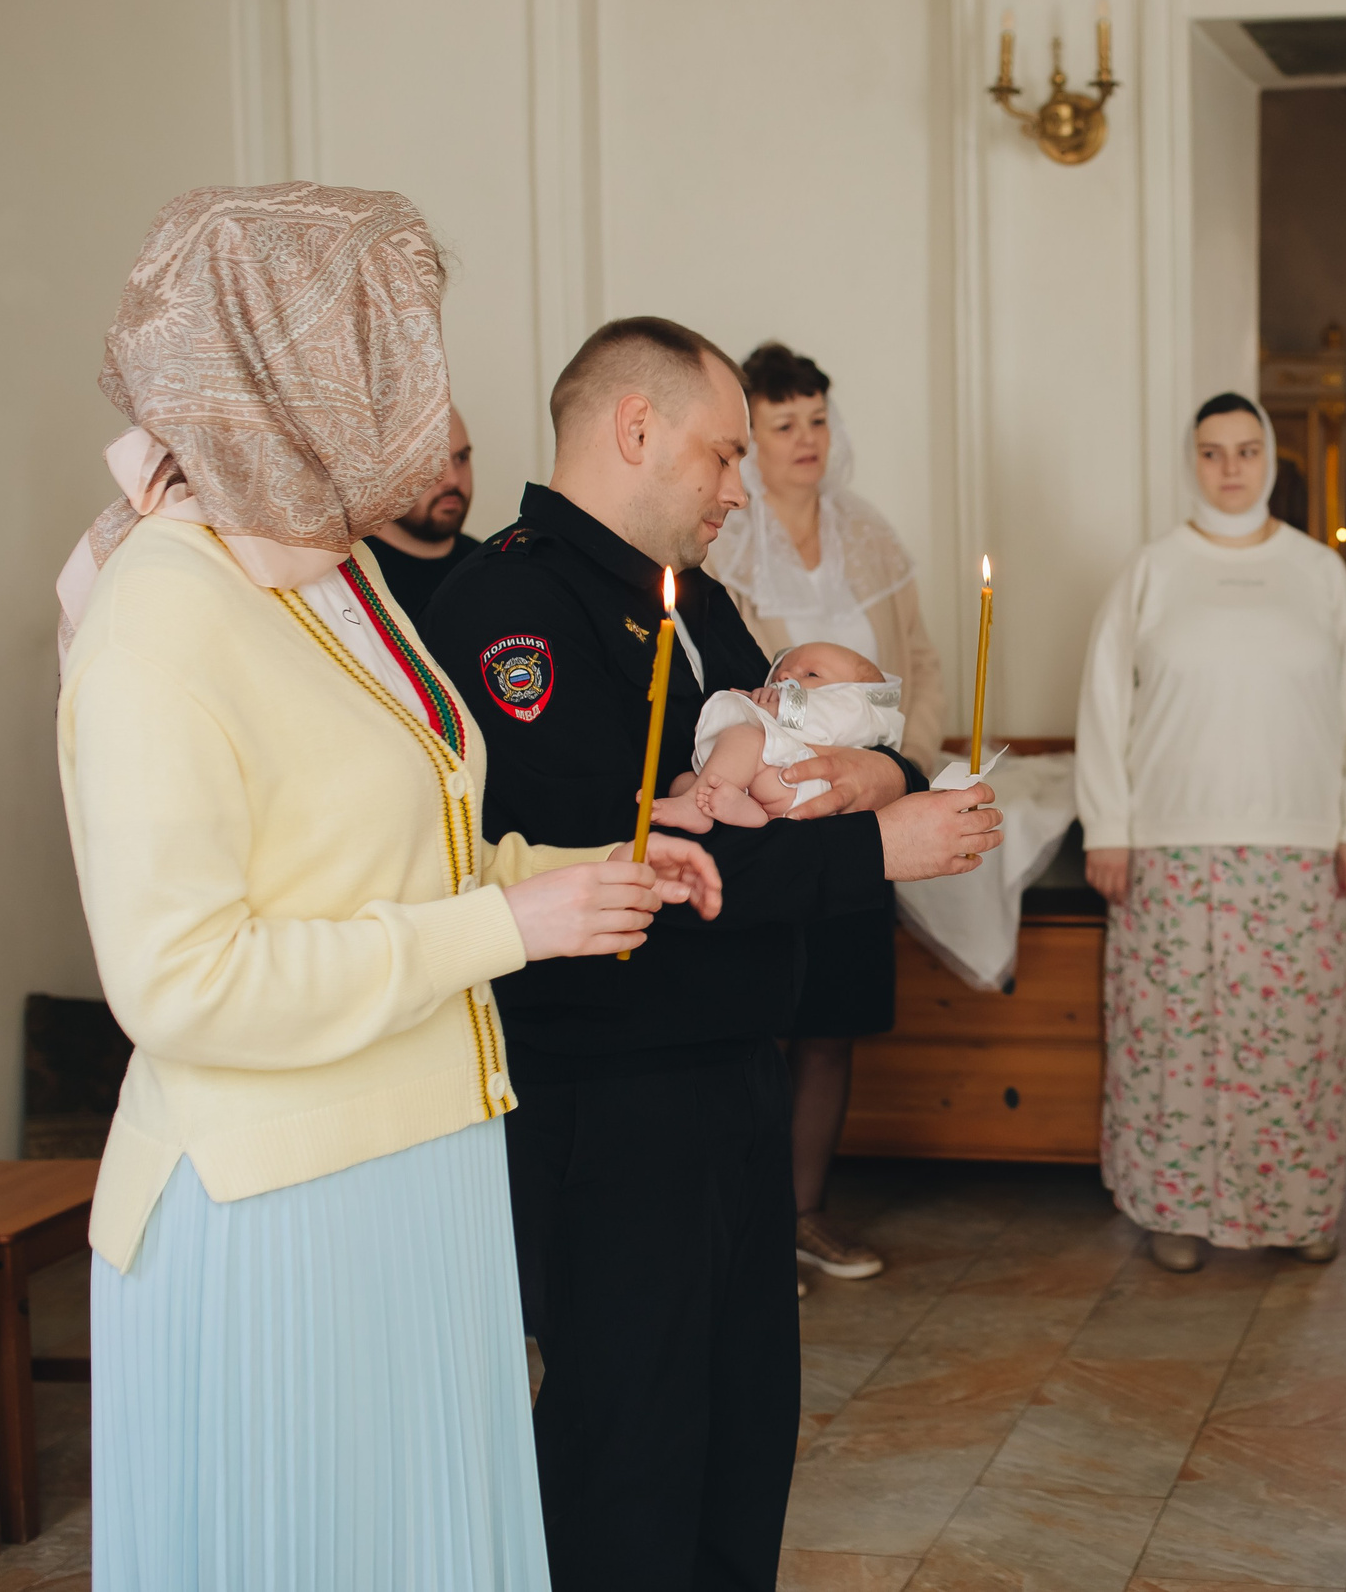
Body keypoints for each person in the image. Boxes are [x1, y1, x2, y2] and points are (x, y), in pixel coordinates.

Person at [56, 182, 723, 1589]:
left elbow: (418, 844)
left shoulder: (327, 568)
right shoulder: (163, 608)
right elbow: (184, 980)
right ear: (275, 367)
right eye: (382, 348)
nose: (416, 388)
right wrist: (506, 926)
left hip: (416, 1162)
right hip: (275, 1209)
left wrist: (586, 870)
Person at [420, 315, 1000, 1592]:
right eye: (724, 455)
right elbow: (605, 860)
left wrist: (875, 769)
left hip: (732, 1069)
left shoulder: (696, 603)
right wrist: (871, 849)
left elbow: (817, 732)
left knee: (743, 1434)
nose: (740, 489)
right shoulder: (511, 606)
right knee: (629, 1446)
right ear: (636, 429)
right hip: (613, 1091)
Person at [1075, 391, 1346, 1273]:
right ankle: (1173, 1208)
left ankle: (1298, 1210)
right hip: (1169, 844)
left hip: (1297, 844)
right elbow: (1104, 707)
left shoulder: (1318, 574)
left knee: (1293, 1038)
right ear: (1193, 461)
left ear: (1270, 459)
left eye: (1246, 450)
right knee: (1174, 1037)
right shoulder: (1152, 570)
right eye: (1212, 452)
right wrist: (1109, 825)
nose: (1230, 468)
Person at [706, 341, 944, 1284]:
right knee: (760, 1017)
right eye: (782, 424)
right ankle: (747, 1231)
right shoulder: (723, 536)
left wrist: (902, 764)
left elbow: (919, 662)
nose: (805, 440)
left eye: (817, 420)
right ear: (750, 436)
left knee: (833, 1020)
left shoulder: (869, 534)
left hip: (865, 806)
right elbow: (723, 686)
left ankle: (808, 1213)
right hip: (775, 810)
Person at [676, 641, 904, 825]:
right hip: (775, 790)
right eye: (781, 672)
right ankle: (751, 814)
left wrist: (778, 707)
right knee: (683, 783)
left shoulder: (861, 711)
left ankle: (705, 808)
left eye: (811, 674)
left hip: (805, 785)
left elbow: (837, 713)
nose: (784, 676)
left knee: (742, 737)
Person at [365, 402, 482, 618]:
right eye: (427, 462)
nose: (453, 480)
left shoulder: (490, 567)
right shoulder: (353, 578)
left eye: (461, 458)